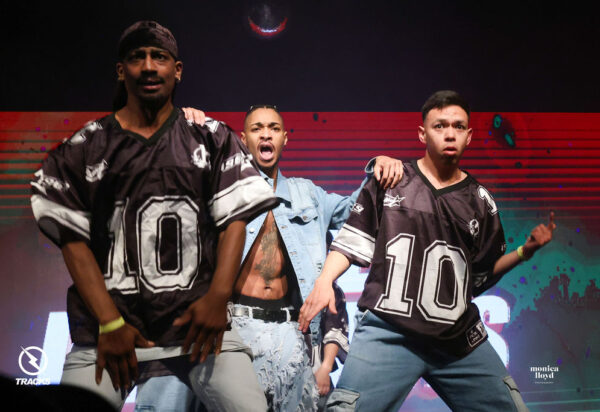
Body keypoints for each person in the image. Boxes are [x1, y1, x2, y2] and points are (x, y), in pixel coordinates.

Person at [30, 20, 278, 411]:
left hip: (198, 325)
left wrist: (218, 297)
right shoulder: (84, 146)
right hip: (111, 328)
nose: (148, 67)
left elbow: (234, 221)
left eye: (159, 57)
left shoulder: (210, 136)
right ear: (120, 70)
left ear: (177, 70)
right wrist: (110, 322)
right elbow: (72, 241)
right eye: (137, 57)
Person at [298, 90, 556, 411]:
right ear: (422, 134)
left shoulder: (481, 202)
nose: (449, 133)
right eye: (440, 126)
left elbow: (480, 276)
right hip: (388, 333)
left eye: (458, 126)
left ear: (469, 136)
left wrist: (525, 252)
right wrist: (324, 280)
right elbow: (351, 242)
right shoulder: (391, 179)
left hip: (457, 340)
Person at [134, 105, 403, 411]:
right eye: (257, 128)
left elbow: (356, 211)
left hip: (291, 332)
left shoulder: (308, 194)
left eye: (274, 128)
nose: (266, 134)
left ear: (285, 138)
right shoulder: (219, 189)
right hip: (232, 327)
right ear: (243, 138)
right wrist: (178, 123)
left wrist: (379, 169)